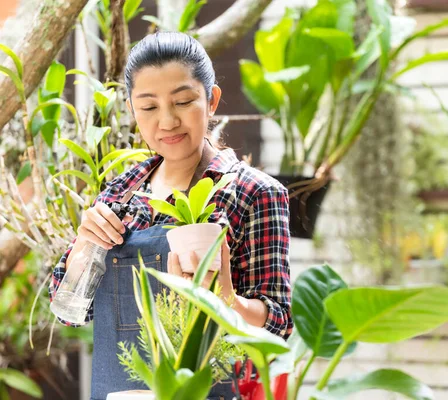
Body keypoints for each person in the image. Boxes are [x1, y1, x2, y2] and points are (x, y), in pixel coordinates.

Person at [48, 31, 293, 400]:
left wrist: (227, 301)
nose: (167, 121)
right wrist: (84, 247)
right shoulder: (119, 194)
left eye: (182, 101)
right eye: (148, 107)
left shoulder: (253, 192)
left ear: (211, 100)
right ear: (132, 110)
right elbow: (70, 314)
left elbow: (278, 325)